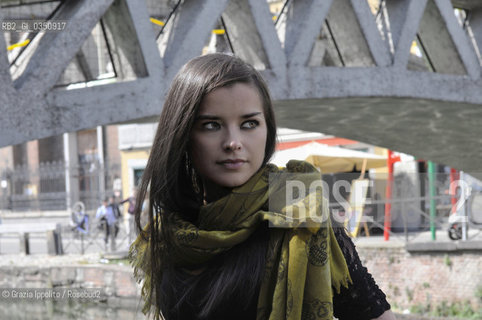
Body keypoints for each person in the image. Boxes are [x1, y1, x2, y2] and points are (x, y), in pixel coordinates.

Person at [129, 53, 396, 320]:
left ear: (267, 129)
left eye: (249, 124)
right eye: (211, 125)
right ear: (183, 134)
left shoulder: (298, 213)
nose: (233, 142)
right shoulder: (169, 232)